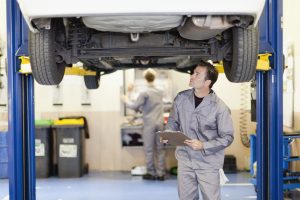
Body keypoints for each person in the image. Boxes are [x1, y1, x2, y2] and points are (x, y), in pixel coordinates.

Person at [165, 61, 234, 200]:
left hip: (208, 163)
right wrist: (169, 134)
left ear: (208, 82)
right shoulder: (181, 98)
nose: (192, 76)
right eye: (193, 73)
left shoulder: (219, 107)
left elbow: (227, 137)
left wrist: (204, 145)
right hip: (185, 159)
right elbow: (173, 121)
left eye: (197, 74)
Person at [122, 68, 166, 181]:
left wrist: (126, 98)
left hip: (149, 125)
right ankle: (161, 174)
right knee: (160, 149)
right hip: (160, 124)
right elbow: (150, 105)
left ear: (145, 78)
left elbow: (134, 106)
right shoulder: (160, 91)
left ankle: (151, 173)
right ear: (154, 77)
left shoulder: (144, 93)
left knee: (149, 149)